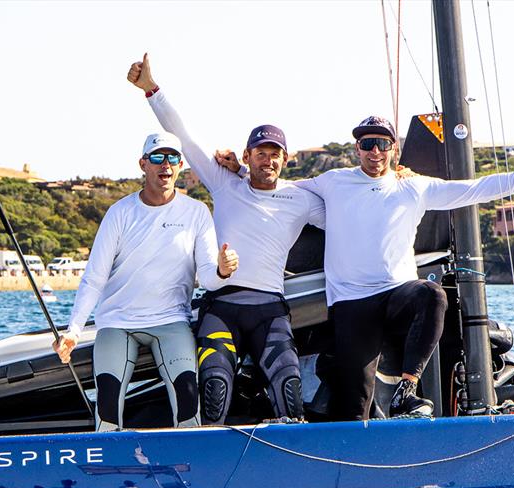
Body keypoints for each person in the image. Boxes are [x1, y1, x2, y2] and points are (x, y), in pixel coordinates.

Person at [292, 116, 514, 420]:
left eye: (382, 144)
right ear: (357, 148)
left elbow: (474, 190)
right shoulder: (333, 181)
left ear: (393, 148)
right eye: (368, 144)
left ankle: (406, 390)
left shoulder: (413, 187)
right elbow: (278, 190)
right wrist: (231, 174)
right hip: (351, 303)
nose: (375, 152)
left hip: (397, 294)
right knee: (354, 406)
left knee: (434, 296)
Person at [127, 54, 325, 425]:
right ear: (246, 156)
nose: (268, 161)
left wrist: (391, 185)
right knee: (215, 386)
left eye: (275, 155)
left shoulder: (301, 199)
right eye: (260, 153)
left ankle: (295, 457)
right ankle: (209, 456)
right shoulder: (226, 183)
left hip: (269, 309)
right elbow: (184, 138)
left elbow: (355, 218)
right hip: (221, 306)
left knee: (289, 389)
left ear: (286, 160)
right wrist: (151, 90)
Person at [53, 132, 239, 431]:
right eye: (157, 157)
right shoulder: (120, 213)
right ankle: (105, 467)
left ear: (180, 166)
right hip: (118, 323)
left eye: (173, 158)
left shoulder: (196, 213)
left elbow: (208, 278)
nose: (165, 164)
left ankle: (191, 468)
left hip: (170, 321)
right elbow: (94, 277)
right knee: (109, 406)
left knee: (189, 401)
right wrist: (73, 331)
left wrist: (222, 270)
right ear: (143, 164)